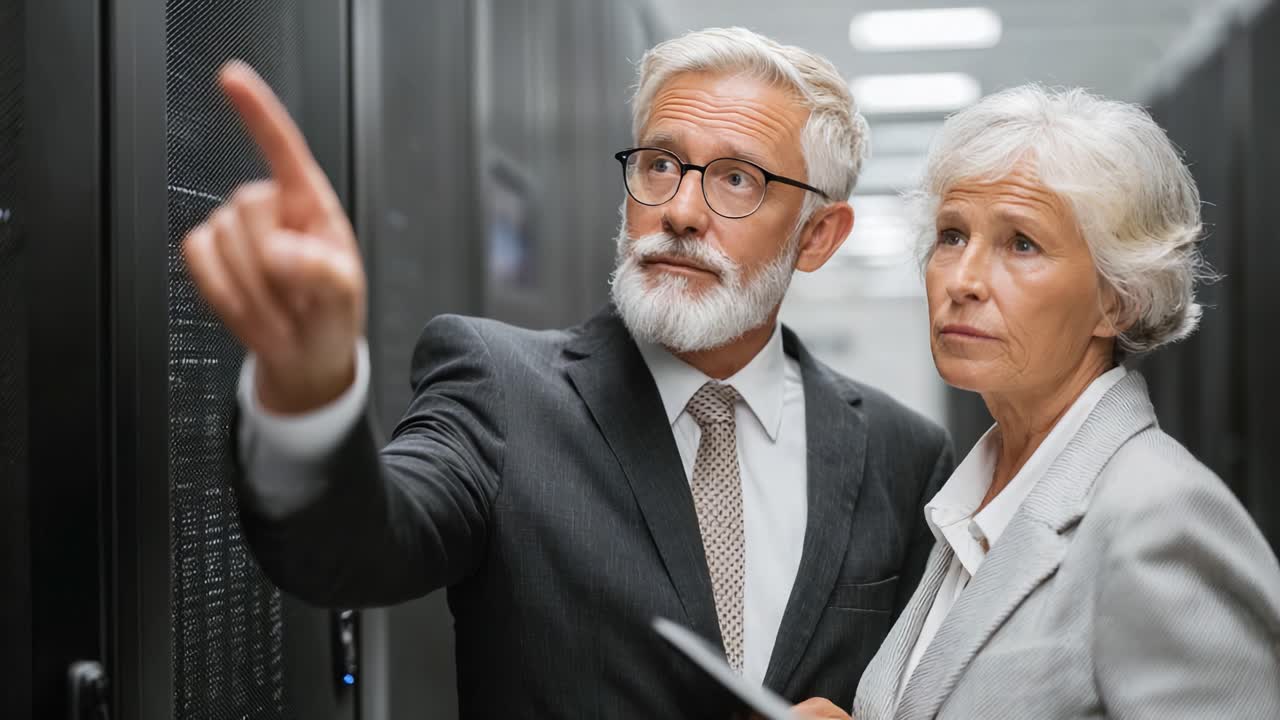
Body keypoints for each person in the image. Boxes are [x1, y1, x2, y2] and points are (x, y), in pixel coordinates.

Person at [181, 27, 954, 717]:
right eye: (660, 164)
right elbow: (347, 549)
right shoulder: (502, 387)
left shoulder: (901, 455)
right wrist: (307, 386)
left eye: (737, 180)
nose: (681, 209)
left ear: (818, 236)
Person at [795, 85, 1280, 720]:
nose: (963, 280)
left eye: (1021, 243)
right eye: (950, 235)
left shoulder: (1159, 517)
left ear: (1120, 298)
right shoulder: (980, 497)